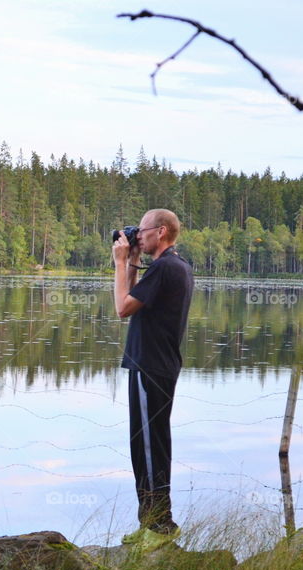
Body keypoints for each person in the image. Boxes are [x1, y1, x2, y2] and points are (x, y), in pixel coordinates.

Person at [112, 208, 194, 546]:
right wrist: (132, 260)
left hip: (150, 366)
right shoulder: (175, 265)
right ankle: (150, 521)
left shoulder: (164, 268)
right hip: (156, 365)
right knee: (148, 444)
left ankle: (160, 526)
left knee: (148, 447)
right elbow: (135, 300)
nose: (138, 235)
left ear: (161, 232)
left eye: (143, 230)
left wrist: (120, 263)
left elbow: (122, 308)